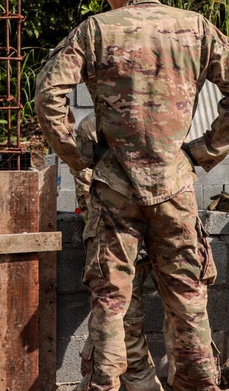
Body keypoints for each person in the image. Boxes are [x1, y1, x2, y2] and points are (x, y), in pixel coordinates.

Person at [36, 0, 229, 391]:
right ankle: (199, 384)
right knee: (188, 297)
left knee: (111, 300)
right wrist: (201, 153)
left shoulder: (95, 31)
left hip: (115, 189)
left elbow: (48, 96)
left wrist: (81, 157)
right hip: (175, 186)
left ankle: (107, 385)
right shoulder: (195, 27)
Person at [75, 114, 171, 391]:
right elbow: (87, 187)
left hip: (157, 235)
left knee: (132, 326)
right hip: (116, 242)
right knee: (121, 325)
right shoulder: (93, 127)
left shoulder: (162, 115)